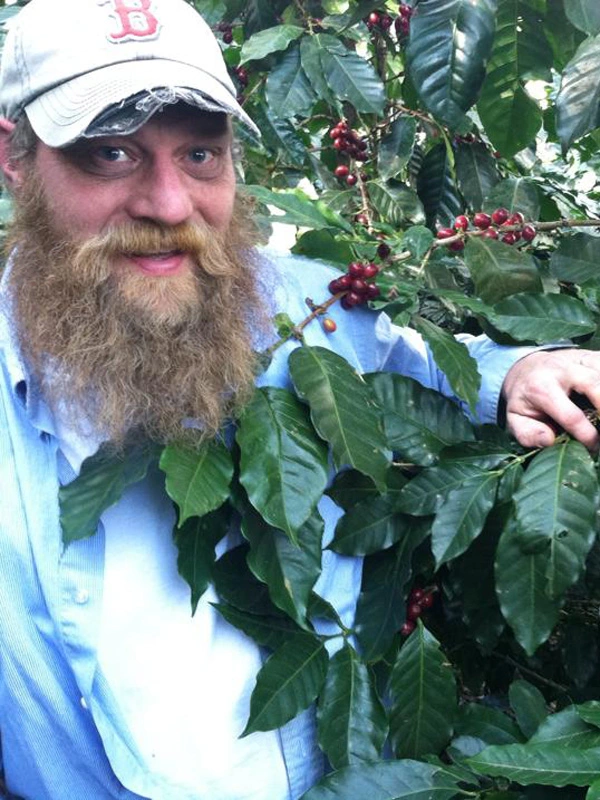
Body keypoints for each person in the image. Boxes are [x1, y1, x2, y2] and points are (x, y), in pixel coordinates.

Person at [0, 1, 599, 798]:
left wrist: (520, 374)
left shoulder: (310, 315)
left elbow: (437, 372)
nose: (170, 206)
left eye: (202, 154)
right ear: (14, 159)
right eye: (111, 154)